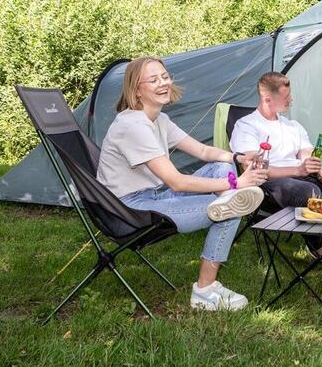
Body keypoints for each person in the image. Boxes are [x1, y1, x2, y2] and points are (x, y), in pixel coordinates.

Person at [97, 56, 268, 312]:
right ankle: (204, 290)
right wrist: (236, 184)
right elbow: (176, 182)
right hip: (129, 211)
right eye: (153, 80)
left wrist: (238, 157)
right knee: (232, 205)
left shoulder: (159, 120)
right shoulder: (132, 125)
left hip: (155, 197)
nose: (163, 83)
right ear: (136, 89)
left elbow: (202, 151)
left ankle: (226, 198)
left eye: (165, 76)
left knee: (223, 168)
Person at [231, 72, 322, 293]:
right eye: (286, 96)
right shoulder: (247, 126)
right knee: (310, 190)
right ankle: (318, 249)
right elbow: (254, 168)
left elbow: (308, 155)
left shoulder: (293, 126)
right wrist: (298, 170)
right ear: (267, 99)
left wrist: (319, 169)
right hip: (270, 184)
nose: (291, 100)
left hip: (304, 179)